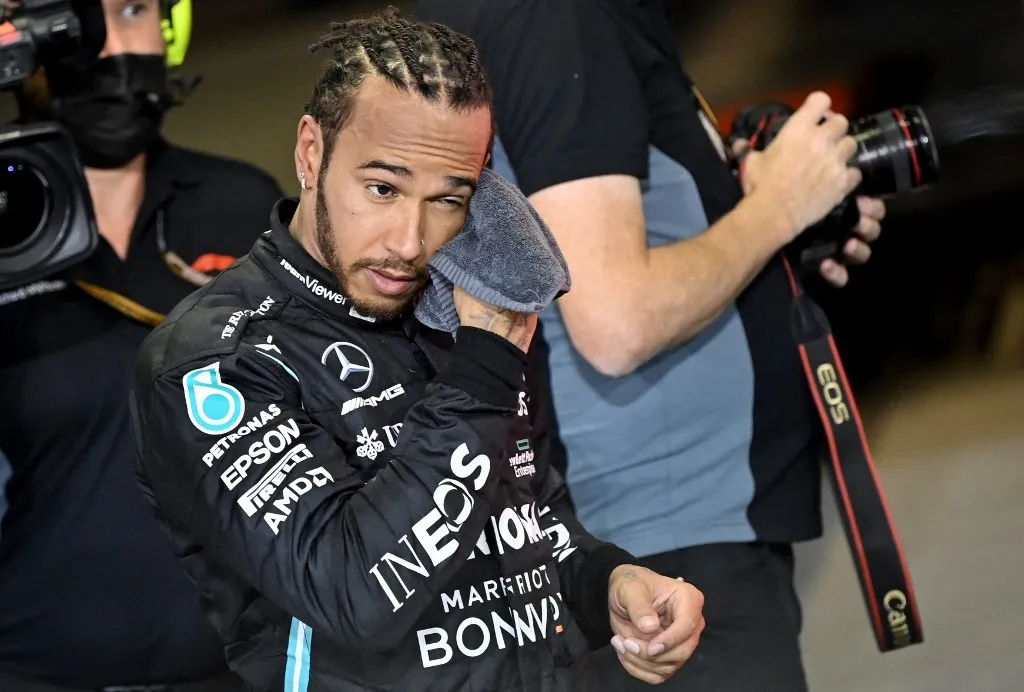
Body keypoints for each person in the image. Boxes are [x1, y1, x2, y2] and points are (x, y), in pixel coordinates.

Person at [128, 9, 706, 691]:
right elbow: (354, 594)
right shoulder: (212, 362)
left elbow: (524, 519)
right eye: (383, 188)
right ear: (311, 153)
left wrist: (604, 581)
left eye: (448, 199)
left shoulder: (461, 310)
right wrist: (483, 375)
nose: (411, 240)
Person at [414, 1, 889, 690]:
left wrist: (765, 219)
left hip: (646, 534)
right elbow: (617, 320)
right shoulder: (557, 17)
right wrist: (780, 207)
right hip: (663, 553)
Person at [0, 0, 283, 689]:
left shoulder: (245, 205)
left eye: (132, 8)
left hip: (239, 670)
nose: (111, 46)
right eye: (78, 17)